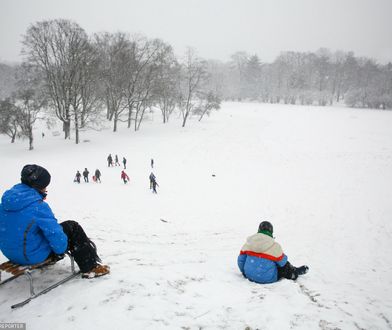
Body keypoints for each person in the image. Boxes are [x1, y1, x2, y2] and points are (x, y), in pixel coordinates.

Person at [0, 164, 110, 278]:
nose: (46, 189)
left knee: (36, 228)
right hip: (32, 256)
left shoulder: (5, 204)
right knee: (72, 227)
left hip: (11, 253)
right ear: (38, 186)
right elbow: (56, 237)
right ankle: (90, 268)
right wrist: (60, 250)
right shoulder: (38, 207)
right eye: (44, 185)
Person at [238, 221, 308, 284]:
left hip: (249, 275)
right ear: (271, 232)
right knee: (284, 265)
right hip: (267, 278)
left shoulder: (249, 243)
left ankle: (253, 273)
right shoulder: (275, 245)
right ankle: (294, 272)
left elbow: (241, 260)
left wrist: (245, 272)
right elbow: (283, 263)